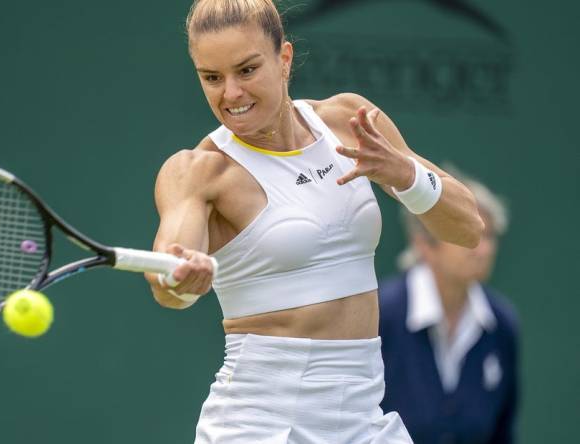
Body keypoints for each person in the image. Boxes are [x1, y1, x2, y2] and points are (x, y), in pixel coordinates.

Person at [144, 1, 484, 442]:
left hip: (363, 419)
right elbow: (167, 281)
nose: (230, 94)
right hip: (259, 426)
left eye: (246, 70)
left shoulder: (348, 121)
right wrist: (178, 280)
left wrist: (406, 175)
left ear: (284, 59)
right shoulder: (198, 172)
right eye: (212, 78)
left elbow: (468, 228)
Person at [378, 169, 519, 444]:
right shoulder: (382, 313)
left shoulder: (502, 325)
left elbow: (503, 432)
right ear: (423, 244)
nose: (484, 249)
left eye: (489, 236)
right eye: (467, 236)